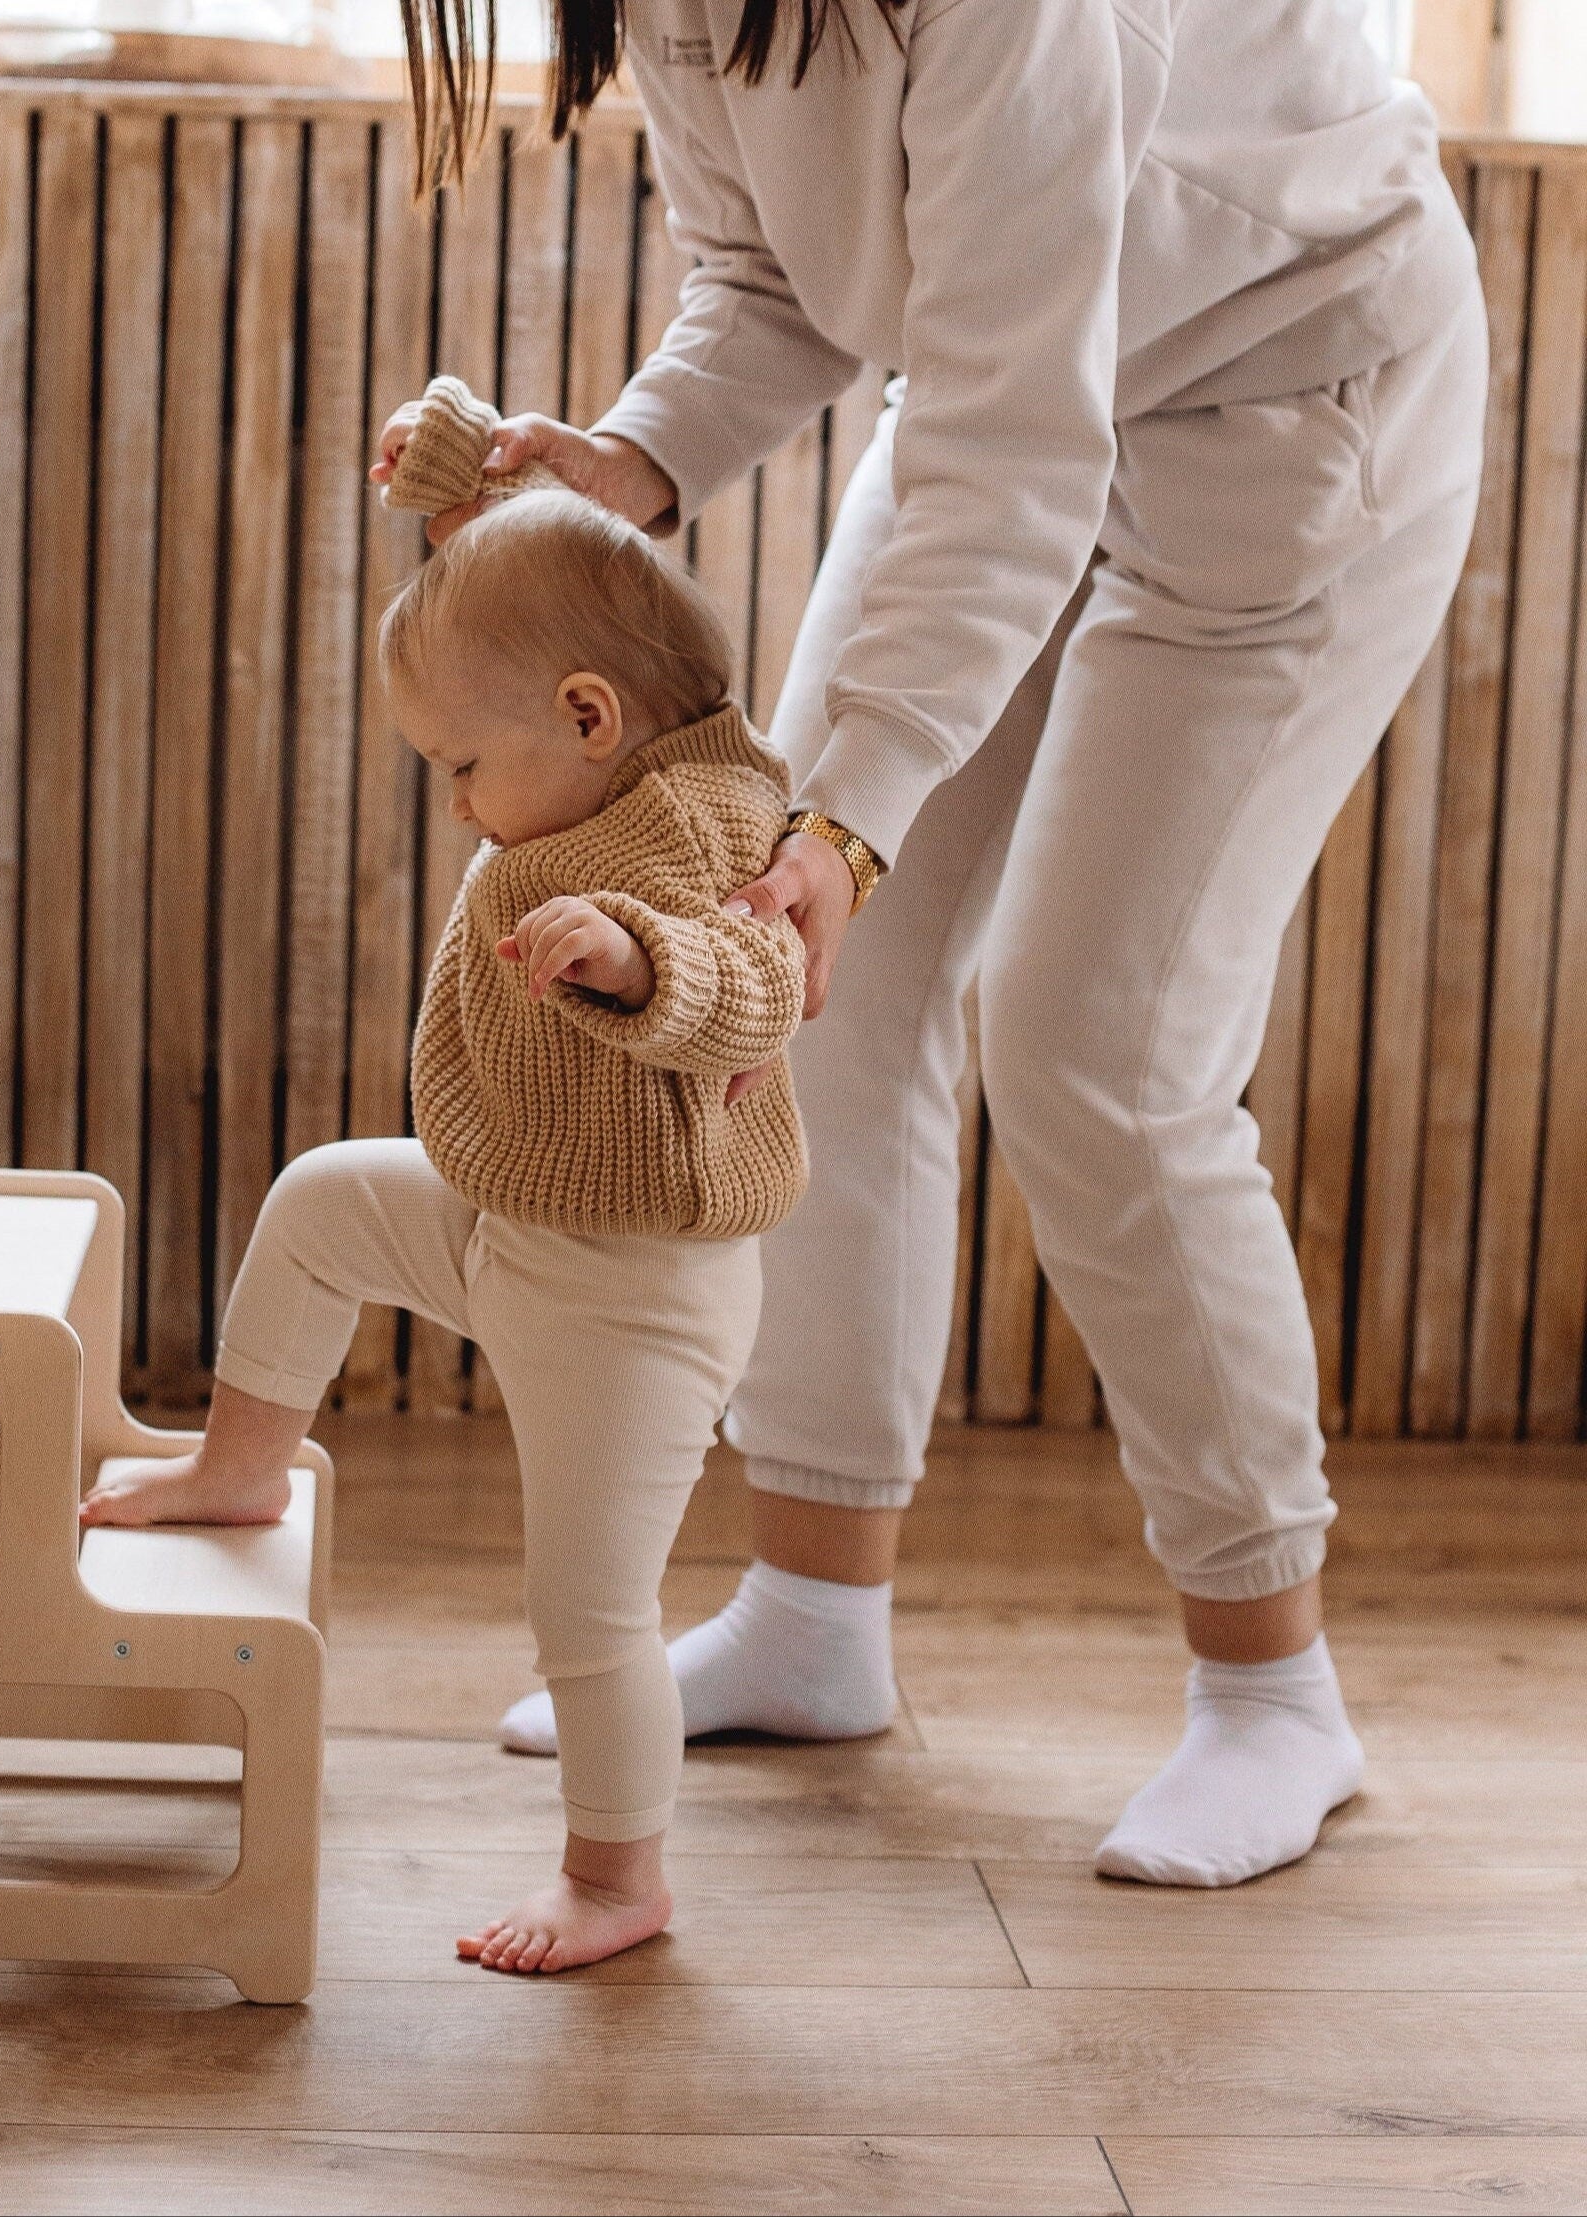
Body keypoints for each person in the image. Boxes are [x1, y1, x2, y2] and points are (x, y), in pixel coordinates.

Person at [416, 0, 1490, 1887]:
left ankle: (1274, 1692)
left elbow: (1013, 433)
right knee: (809, 996)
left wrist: (853, 820)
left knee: (1098, 1050)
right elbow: (774, 269)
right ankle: (818, 1613)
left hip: (1291, 394)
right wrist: (636, 460)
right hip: (1012, 395)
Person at [82, 392, 808, 1971]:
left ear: (591, 716)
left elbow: (759, 979)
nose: (456, 797)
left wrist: (642, 965)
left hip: (631, 1294)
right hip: (510, 1213)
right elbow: (514, 574)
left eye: (462, 763)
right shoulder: (580, 766)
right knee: (323, 1199)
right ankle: (241, 1463)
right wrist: (455, 482)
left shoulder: (698, 826)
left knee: (591, 1611)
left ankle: (620, 1878)